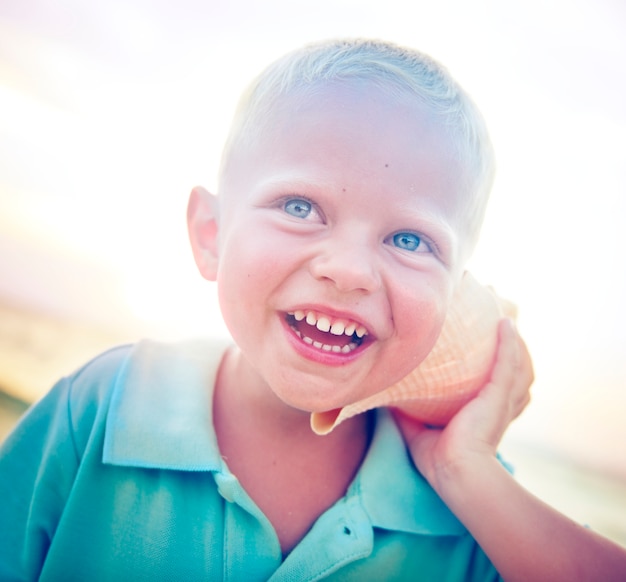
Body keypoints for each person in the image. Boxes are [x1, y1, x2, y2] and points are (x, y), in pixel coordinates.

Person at [1, 38, 624, 581]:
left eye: (410, 240)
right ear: (211, 234)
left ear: (453, 294)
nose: (348, 270)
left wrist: (466, 469)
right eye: (300, 207)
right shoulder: (106, 406)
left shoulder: (472, 514)